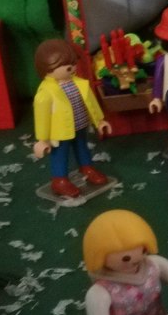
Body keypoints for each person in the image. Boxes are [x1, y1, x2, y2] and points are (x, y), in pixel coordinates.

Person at [32, 39, 112, 199]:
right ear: (47, 69)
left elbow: (91, 103)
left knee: (82, 147)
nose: (71, 68)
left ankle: (87, 167)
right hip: (60, 132)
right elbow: (42, 117)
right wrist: (42, 139)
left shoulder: (79, 84)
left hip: (80, 125)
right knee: (60, 154)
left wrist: (99, 121)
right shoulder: (46, 92)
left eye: (72, 63)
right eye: (65, 66)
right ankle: (59, 180)